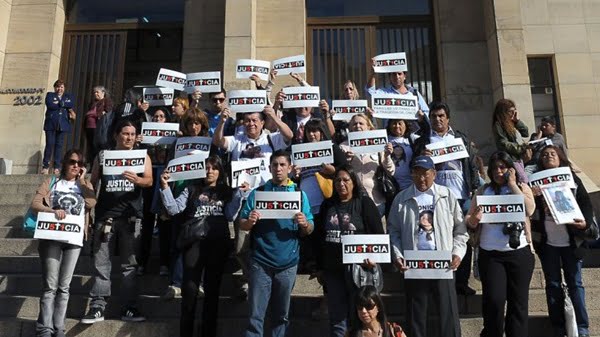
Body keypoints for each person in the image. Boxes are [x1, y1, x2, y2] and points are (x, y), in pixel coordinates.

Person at [159, 155, 242, 337]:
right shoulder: (191, 188)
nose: (209, 171)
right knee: (190, 291)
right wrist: (165, 187)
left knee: (212, 293)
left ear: (220, 171)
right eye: (206, 167)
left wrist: (239, 195)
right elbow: (174, 209)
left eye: (214, 168)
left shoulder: (227, 191)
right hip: (194, 244)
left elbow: (230, 215)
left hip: (217, 244)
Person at [81, 120, 153, 324]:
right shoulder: (103, 156)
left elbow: (149, 180)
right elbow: (93, 184)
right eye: (125, 133)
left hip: (131, 217)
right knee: (101, 263)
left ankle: (129, 307)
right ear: (116, 135)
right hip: (106, 216)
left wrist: (136, 180)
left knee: (129, 265)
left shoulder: (142, 155)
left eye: (132, 134)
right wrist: (86, 203)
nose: (129, 137)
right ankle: (97, 306)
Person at [387, 155, 468, 337]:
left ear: (434, 173)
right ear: (411, 174)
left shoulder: (446, 196)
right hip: (415, 265)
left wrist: (457, 253)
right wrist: (398, 256)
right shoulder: (401, 199)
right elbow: (393, 232)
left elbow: (460, 229)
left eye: (426, 174)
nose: (421, 178)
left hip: (443, 264)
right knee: (416, 316)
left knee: (448, 315)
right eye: (417, 173)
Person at [239, 150, 313, 337]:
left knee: (281, 315)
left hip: (288, 263)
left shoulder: (299, 194)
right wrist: (250, 221)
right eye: (274, 165)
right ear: (270, 168)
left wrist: (305, 223)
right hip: (261, 262)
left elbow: (309, 228)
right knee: (255, 316)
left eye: (282, 165)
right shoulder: (259, 193)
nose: (278, 168)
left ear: (289, 168)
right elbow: (242, 223)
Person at [465, 151, 536, 337]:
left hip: (519, 252)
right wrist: (474, 219)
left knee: (518, 303)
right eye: (495, 168)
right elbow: (469, 221)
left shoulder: (521, 187)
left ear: (510, 169)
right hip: (491, 255)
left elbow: (529, 209)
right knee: (494, 300)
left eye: (502, 167)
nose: (498, 171)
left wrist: (513, 185)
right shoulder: (483, 191)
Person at [412, 101, 480, 295]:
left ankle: (461, 282)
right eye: (434, 116)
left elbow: (471, 164)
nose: (438, 119)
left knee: (462, 237)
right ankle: (439, 279)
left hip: (461, 196)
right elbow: (414, 166)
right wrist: (421, 155)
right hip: (436, 198)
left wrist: (474, 187)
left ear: (448, 118)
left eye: (441, 116)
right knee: (436, 236)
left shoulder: (460, 138)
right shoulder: (422, 140)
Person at [31, 149, 96, 337]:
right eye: (72, 162)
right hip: (51, 237)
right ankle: (44, 328)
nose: (76, 166)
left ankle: (59, 328)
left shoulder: (85, 184)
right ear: (65, 163)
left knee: (64, 287)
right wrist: (53, 211)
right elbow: (35, 204)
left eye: (80, 163)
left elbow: (91, 203)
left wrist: (83, 181)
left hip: (73, 239)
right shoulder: (52, 182)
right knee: (50, 285)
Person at [531, 145, 594, 337]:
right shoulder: (534, 183)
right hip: (547, 242)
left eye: (553, 154)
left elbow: (586, 204)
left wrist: (585, 223)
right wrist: (532, 197)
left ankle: (582, 328)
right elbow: (528, 211)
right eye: (545, 155)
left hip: (572, 242)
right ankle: (558, 328)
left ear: (560, 159)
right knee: (553, 285)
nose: (549, 156)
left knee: (575, 284)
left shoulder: (572, 179)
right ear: (540, 161)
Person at [315, 165, 384, 337]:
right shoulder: (327, 205)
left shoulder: (364, 203)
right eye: (337, 180)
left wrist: (373, 258)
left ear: (354, 182)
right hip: (333, 270)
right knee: (338, 319)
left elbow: (378, 235)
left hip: (359, 271)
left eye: (346, 180)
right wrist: (318, 266)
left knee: (359, 316)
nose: (341, 184)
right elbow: (319, 237)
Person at [339, 113, 394, 217]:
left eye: (361, 123)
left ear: (368, 127)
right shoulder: (343, 147)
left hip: (376, 200)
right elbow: (339, 173)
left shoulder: (379, 144)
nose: (358, 126)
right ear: (350, 127)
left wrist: (387, 156)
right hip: (353, 200)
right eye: (354, 124)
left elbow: (390, 171)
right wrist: (347, 160)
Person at [492, 98, 531, 182]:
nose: (513, 113)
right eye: (510, 111)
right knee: (523, 180)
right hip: (510, 158)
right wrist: (521, 148)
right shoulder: (498, 125)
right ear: (503, 112)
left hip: (518, 158)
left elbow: (525, 133)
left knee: (521, 180)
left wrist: (517, 121)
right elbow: (503, 143)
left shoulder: (512, 122)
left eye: (514, 111)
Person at [42, 80, 75, 175]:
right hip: (51, 124)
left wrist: (61, 103)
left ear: (64, 88)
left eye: (61, 87)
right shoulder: (50, 95)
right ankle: (46, 166)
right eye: (57, 87)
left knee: (59, 146)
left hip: (63, 125)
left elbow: (71, 104)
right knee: (49, 144)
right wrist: (63, 104)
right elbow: (50, 104)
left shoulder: (68, 96)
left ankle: (57, 167)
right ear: (54, 88)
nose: (59, 89)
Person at [85, 86, 113, 164]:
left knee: (97, 146)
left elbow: (108, 112)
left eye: (97, 92)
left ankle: (97, 164)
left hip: (98, 128)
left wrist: (100, 114)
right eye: (94, 92)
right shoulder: (92, 103)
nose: (95, 94)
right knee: (90, 147)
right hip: (89, 127)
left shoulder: (107, 101)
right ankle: (91, 164)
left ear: (103, 93)